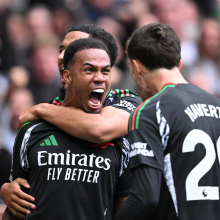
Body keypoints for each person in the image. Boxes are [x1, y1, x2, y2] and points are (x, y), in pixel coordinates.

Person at [0, 24, 142, 218]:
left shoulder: (125, 100)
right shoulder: (43, 120)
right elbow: (18, 193)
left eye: (73, 48)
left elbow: (99, 128)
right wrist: (6, 190)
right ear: (68, 75)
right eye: (61, 50)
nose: (61, 57)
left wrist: (40, 109)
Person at [114, 23, 220, 220]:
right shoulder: (217, 105)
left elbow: (145, 197)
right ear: (179, 63)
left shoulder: (149, 111)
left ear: (136, 67)